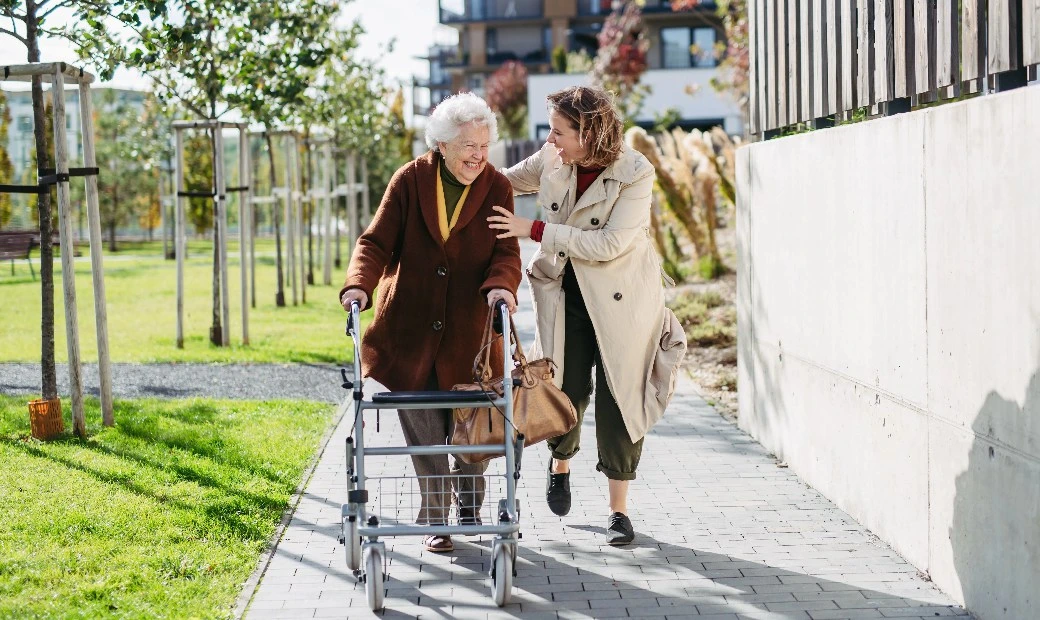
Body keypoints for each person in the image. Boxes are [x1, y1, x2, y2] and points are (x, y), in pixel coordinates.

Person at [488, 86, 687, 545]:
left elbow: (611, 244)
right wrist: (458, 160)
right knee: (565, 390)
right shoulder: (553, 158)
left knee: (620, 399)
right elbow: (503, 181)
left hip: (624, 302)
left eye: (559, 132)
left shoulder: (635, 173)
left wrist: (534, 229)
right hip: (565, 295)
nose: (551, 140)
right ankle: (561, 465)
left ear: (589, 132)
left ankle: (619, 512)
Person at [339, 92, 522, 553]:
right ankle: (439, 520)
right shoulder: (410, 180)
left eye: (484, 146)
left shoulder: (498, 187)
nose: (478, 157)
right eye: (468, 147)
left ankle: (469, 510)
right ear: (441, 144)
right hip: (410, 334)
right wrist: (359, 284)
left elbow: (506, 251)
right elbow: (376, 242)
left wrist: (503, 284)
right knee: (425, 440)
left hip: (470, 338)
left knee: (470, 439)